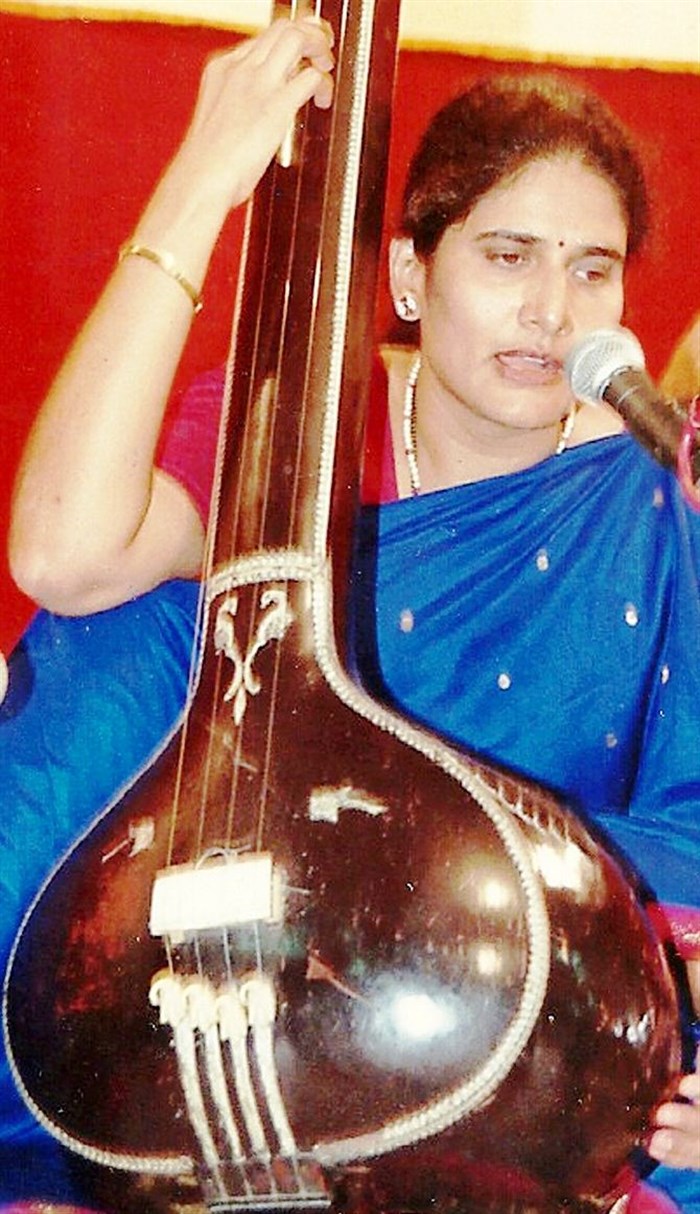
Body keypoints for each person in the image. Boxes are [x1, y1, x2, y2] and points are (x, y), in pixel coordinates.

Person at [1, 14, 698, 1212]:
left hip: (517, 1038)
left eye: (592, 269)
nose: (551, 310)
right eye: (507, 256)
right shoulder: (298, 429)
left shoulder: (651, 492)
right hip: (251, 1004)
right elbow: (64, 554)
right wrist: (198, 186)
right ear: (411, 274)